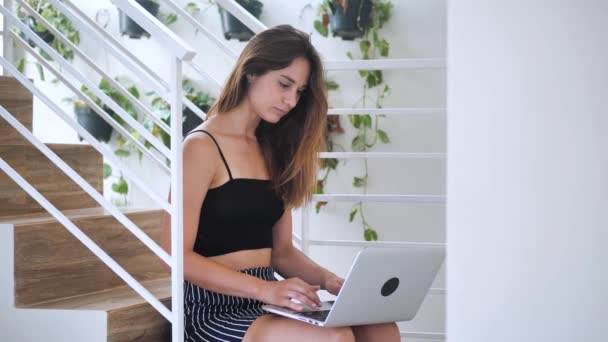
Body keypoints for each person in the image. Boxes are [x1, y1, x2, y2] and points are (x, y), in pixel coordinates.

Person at [161, 24, 400, 342]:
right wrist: (266, 289)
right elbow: (174, 255)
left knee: (381, 328)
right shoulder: (201, 147)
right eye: (284, 85)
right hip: (211, 309)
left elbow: (282, 253)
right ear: (251, 72)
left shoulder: (272, 149)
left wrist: (330, 281)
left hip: (267, 300)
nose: (291, 100)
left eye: (299, 92)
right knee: (335, 338)